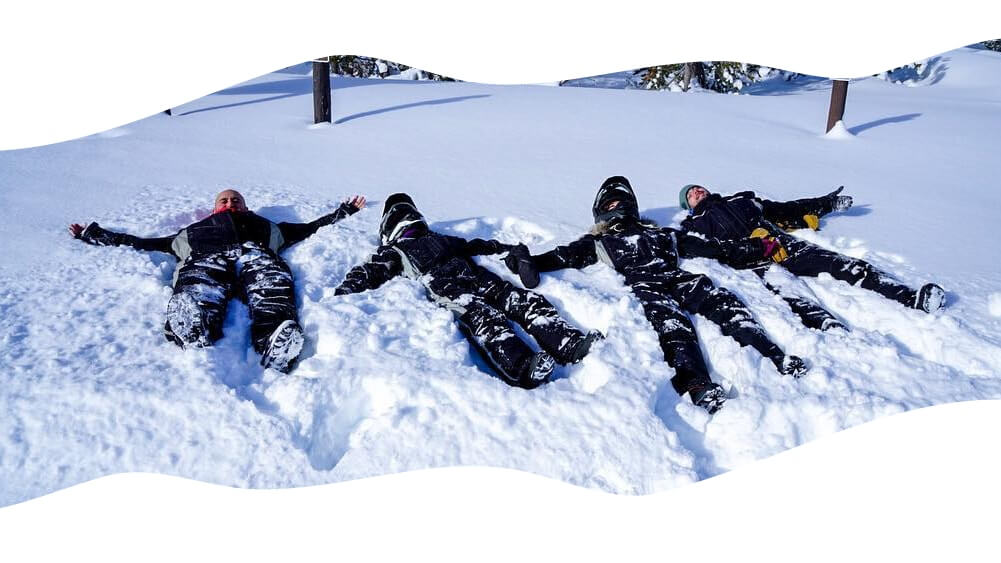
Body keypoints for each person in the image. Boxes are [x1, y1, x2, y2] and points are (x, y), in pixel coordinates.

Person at [505, 176, 807, 414]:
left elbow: (713, 248)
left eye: (618, 204)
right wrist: (526, 259)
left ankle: (776, 357)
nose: (615, 210)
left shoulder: (663, 234)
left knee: (726, 304)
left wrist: (755, 248)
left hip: (678, 278)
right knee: (675, 329)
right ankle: (699, 386)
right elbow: (561, 256)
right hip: (647, 286)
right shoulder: (598, 242)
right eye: (610, 206)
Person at [69, 189, 366, 373]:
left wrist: (345, 212)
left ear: (245, 207)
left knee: (272, 283)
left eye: (236, 200)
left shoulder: (270, 227)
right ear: (215, 208)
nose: (230, 202)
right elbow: (138, 242)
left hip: (256, 255)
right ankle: (195, 327)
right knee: (199, 283)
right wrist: (94, 234)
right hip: (206, 257)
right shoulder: (191, 231)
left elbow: (311, 227)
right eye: (224, 200)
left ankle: (273, 340)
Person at [334, 193, 602, 389]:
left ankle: (568, 343)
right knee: (487, 320)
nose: (411, 221)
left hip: (478, 277)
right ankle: (522, 366)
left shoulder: (439, 239)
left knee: (525, 301)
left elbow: (475, 245)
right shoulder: (394, 251)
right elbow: (371, 271)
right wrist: (347, 288)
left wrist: (505, 248)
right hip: (448, 289)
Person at [678, 184, 945, 316]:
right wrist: (754, 247)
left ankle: (911, 298)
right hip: (755, 264)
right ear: (688, 205)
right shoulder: (694, 225)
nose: (697, 191)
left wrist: (827, 203)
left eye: (698, 187)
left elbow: (788, 209)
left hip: (784, 245)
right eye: (691, 194)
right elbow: (715, 251)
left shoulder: (743, 201)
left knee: (845, 265)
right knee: (799, 307)